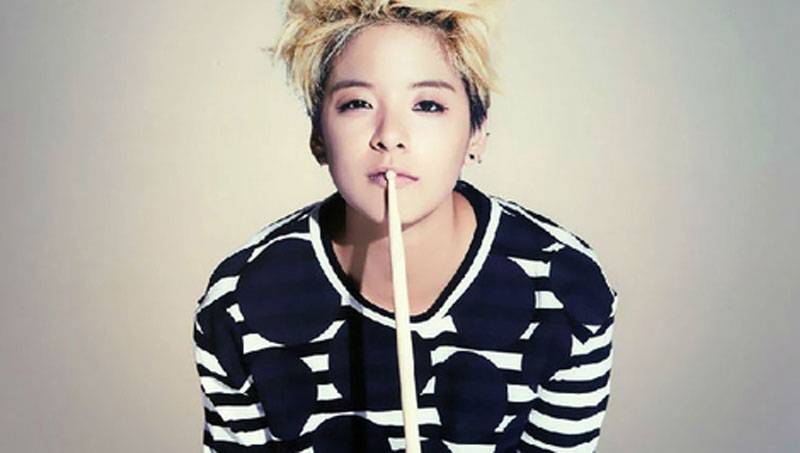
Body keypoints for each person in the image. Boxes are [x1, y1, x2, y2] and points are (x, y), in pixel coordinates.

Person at [193, 1, 618, 451]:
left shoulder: (565, 289)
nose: (390, 135)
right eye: (357, 103)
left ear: (476, 131)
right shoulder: (238, 303)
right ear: (318, 135)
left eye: (427, 105)